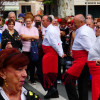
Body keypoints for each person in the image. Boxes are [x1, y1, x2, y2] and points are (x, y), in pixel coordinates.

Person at [63, 14, 96, 100]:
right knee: (82, 85)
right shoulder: (85, 29)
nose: (73, 24)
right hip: (81, 61)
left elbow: (90, 48)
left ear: (81, 22)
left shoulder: (83, 32)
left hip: (82, 62)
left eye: (75, 23)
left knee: (68, 79)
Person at [42, 15, 65, 99]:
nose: (42, 22)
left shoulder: (51, 30)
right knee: (52, 73)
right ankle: (54, 92)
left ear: (48, 21)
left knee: (44, 72)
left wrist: (60, 53)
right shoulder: (52, 29)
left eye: (43, 20)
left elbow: (54, 43)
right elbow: (58, 42)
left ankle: (51, 89)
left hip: (50, 54)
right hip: (51, 53)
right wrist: (61, 52)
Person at [19, 13, 39, 84]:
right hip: (25, 49)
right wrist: (32, 37)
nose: (28, 22)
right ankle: (23, 78)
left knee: (32, 65)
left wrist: (27, 37)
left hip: (32, 49)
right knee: (24, 65)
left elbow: (37, 37)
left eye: (29, 21)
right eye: (26, 21)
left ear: (32, 21)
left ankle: (32, 79)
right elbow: (22, 37)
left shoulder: (35, 28)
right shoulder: (22, 28)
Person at [88, 18, 100, 100]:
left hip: (98, 71)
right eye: (96, 26)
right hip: (94, 71)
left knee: (97, 93)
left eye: (99, 27)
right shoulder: (97, 38)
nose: (96, 29)